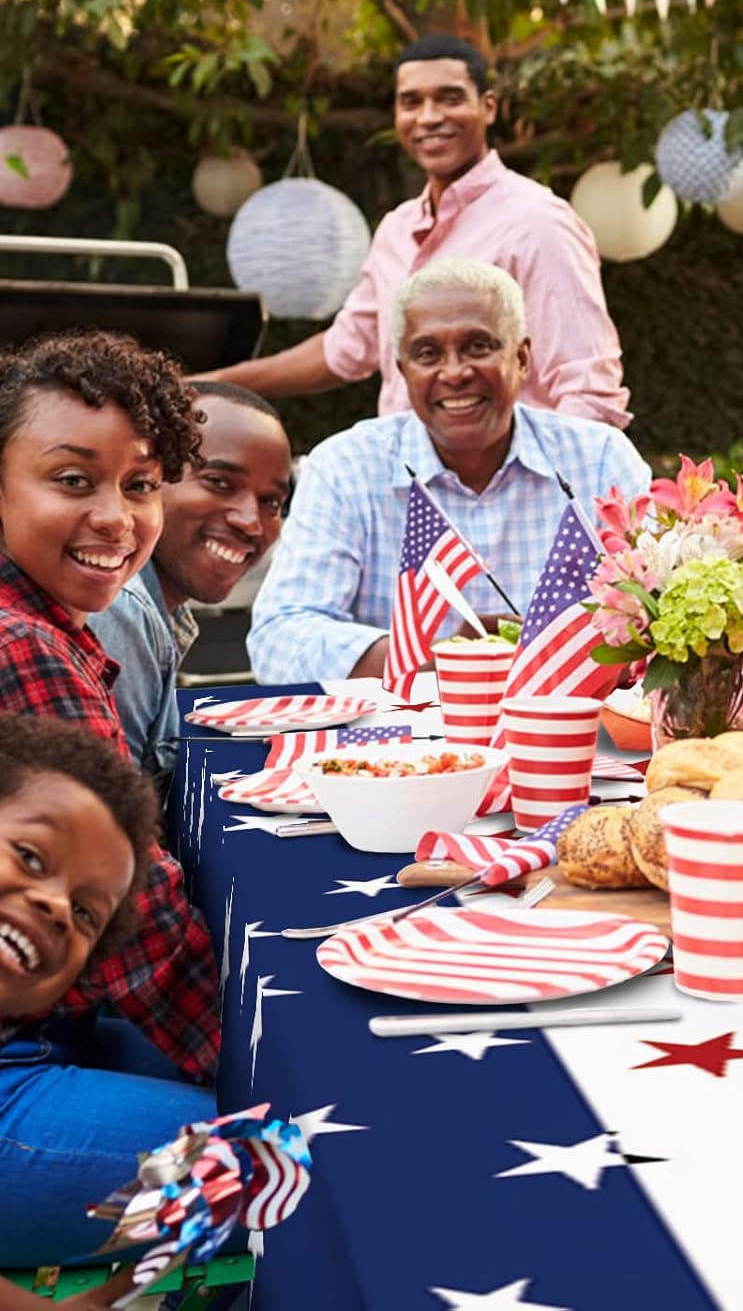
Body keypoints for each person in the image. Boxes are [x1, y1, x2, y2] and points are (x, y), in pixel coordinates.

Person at [248, 258, 651, 685]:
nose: (455, 372)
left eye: (478, 346)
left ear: (522, 358)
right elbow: (278, 640)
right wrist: (444, 660)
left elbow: (662, 614)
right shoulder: (347, 467)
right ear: (403, 371)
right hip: (398, 744)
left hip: (574, 734)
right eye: (428, 353)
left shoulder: (599, 458)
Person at [206, 33, 631, 428]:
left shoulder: (537, 223)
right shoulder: (396, 229)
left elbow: (590, 394)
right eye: (411, 102)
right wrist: (216, 385)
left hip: (507, 497)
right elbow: (346, 349)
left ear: (488, 107)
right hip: (405, 489)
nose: (428, 117)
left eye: (449, 99)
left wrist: (538, 498)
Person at [0, 332, 219, 1089]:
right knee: (285, 1162)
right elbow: (139, 920)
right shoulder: (21, 643)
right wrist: (287, 1067)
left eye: (141, 484)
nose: (116, 519)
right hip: (20, 1055)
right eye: (71, 479)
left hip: (57, 1018)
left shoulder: (50, 624)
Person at [0, 713, 209, 1275]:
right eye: (31, 857)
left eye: (86, 914)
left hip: (43, 1039)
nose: (56, 907)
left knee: (286, 1123)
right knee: (303, 1159)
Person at [91, 382, 292, 786]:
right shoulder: (120, 606)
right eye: (219, 482)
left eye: (271, 502)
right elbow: (110, 825)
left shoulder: (160, 605)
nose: (250, 522)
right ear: (146, 480)